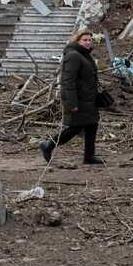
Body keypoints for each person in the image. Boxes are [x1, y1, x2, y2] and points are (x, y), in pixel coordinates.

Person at [40, 28, 104, 165]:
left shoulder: (85, 55)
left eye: (89, 40)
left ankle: (89, 156)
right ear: (77, 41)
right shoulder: (73, 56)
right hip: (78, 99)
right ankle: (48, 145)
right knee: (74, 128)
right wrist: (72, 103)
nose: (88, 42)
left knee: (92, 125)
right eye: (84, 40)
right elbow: (67, 81)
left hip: (89, 99)